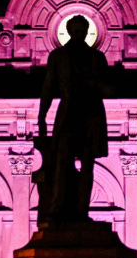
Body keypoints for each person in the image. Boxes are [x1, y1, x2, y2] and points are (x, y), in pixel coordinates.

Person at [36, 15, 113, 222]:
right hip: (68, 114)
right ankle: (56, 209)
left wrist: (95, 84)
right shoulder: (58, 56)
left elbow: (109, 88)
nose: (80, 35)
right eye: (76, 31)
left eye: (83, 31)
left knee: (88, 164)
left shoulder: (97, 58)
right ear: (69, 32)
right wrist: (42, 117)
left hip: (91, 116)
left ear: (87, 32)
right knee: (62, 160)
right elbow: (48, 88)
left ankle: (82, 212)